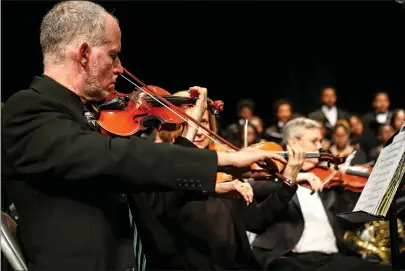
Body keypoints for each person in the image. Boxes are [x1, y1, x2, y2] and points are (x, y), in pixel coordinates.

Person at [1, 2, 289, 270]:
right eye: (113, 55)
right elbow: (117, 159)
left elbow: (149, 194)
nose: (120, 68)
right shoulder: (27, 110)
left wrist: (207, 176)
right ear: (84, 54)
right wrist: (220, 159)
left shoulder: (95, 115)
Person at [129, 91, 322, 270]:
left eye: (204, 122)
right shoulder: (164, 173)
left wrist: (288, 182)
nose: (199, 130)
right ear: (170, 126)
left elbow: (257, 220)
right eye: (189, 123)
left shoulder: (225, 170)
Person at [251, 117, 391, 271]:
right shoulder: (270, 177)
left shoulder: (326, 181)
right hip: (288, 256)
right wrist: (290, 179)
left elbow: (344, 222)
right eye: (314, 141)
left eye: (320, 141)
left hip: (330, 258)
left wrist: (377, 199)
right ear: (293, 142)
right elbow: (262, 216)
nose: (320, 147)